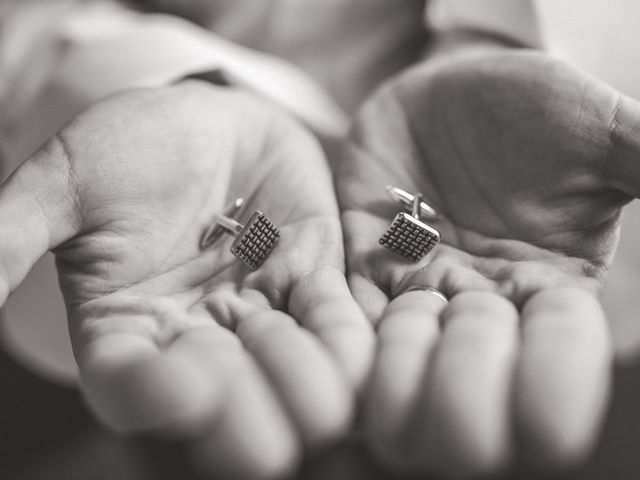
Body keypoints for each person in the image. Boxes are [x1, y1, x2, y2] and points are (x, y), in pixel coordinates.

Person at [1, 0, 640, 479]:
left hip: (531, 259)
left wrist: (494, 41)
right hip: (192, 261)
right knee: (202, 416)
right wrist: (157, 80)